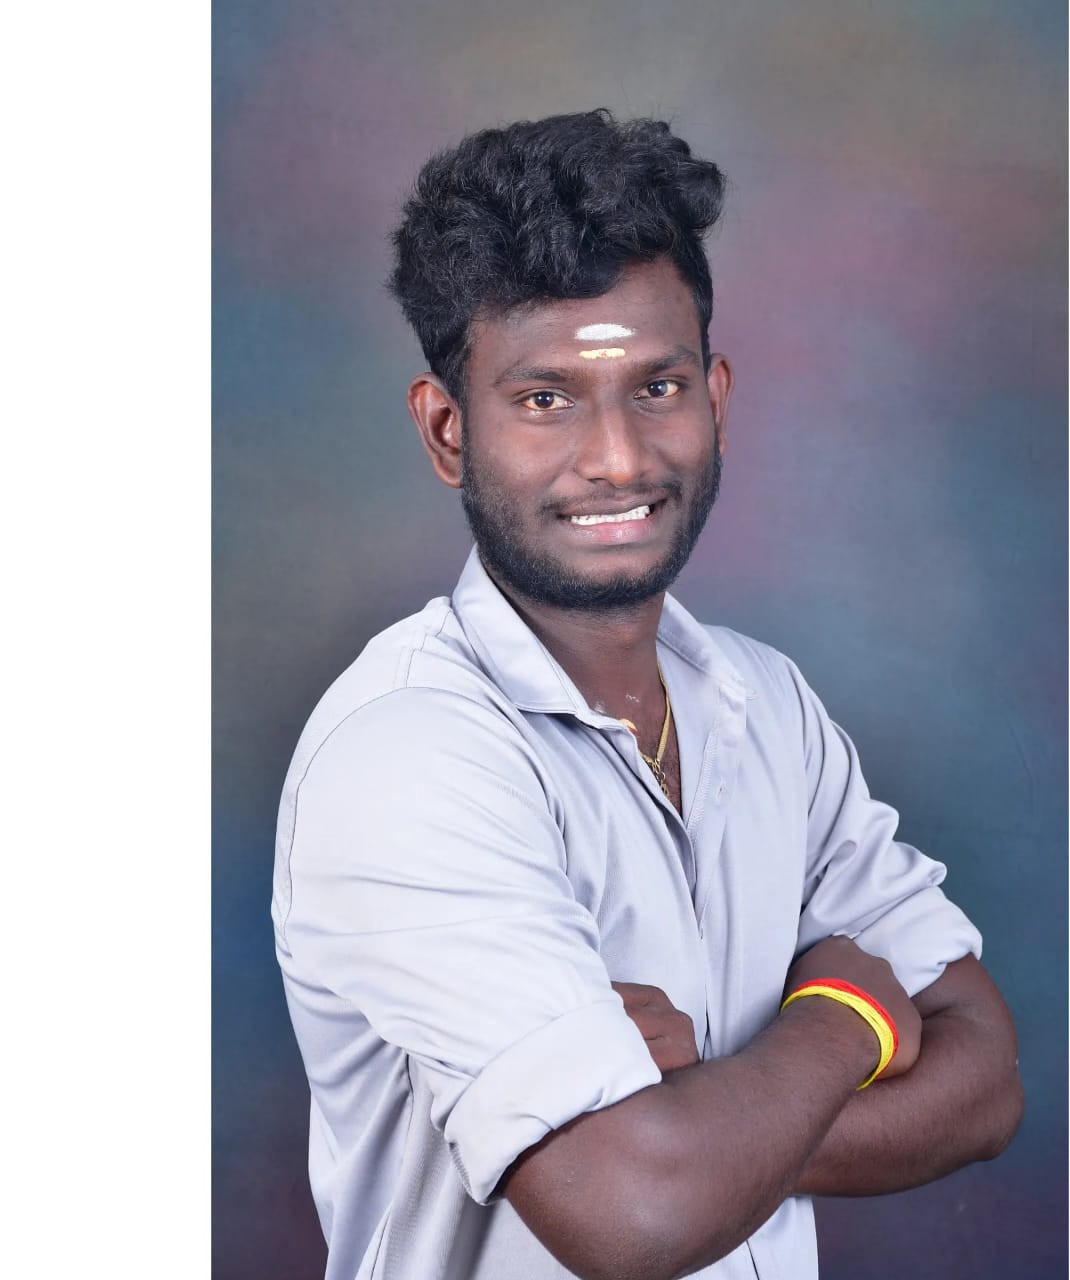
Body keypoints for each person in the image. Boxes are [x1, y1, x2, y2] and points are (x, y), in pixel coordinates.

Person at [272, 109, 1022, 1280]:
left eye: (656, 386)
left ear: (715, 395)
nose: (618, 457)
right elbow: (632, 1211)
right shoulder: (407, 752)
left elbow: (983, 1079)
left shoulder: (767, 707)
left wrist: (702, 1118)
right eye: (544, 398)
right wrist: (846, 1021)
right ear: (446, 430)